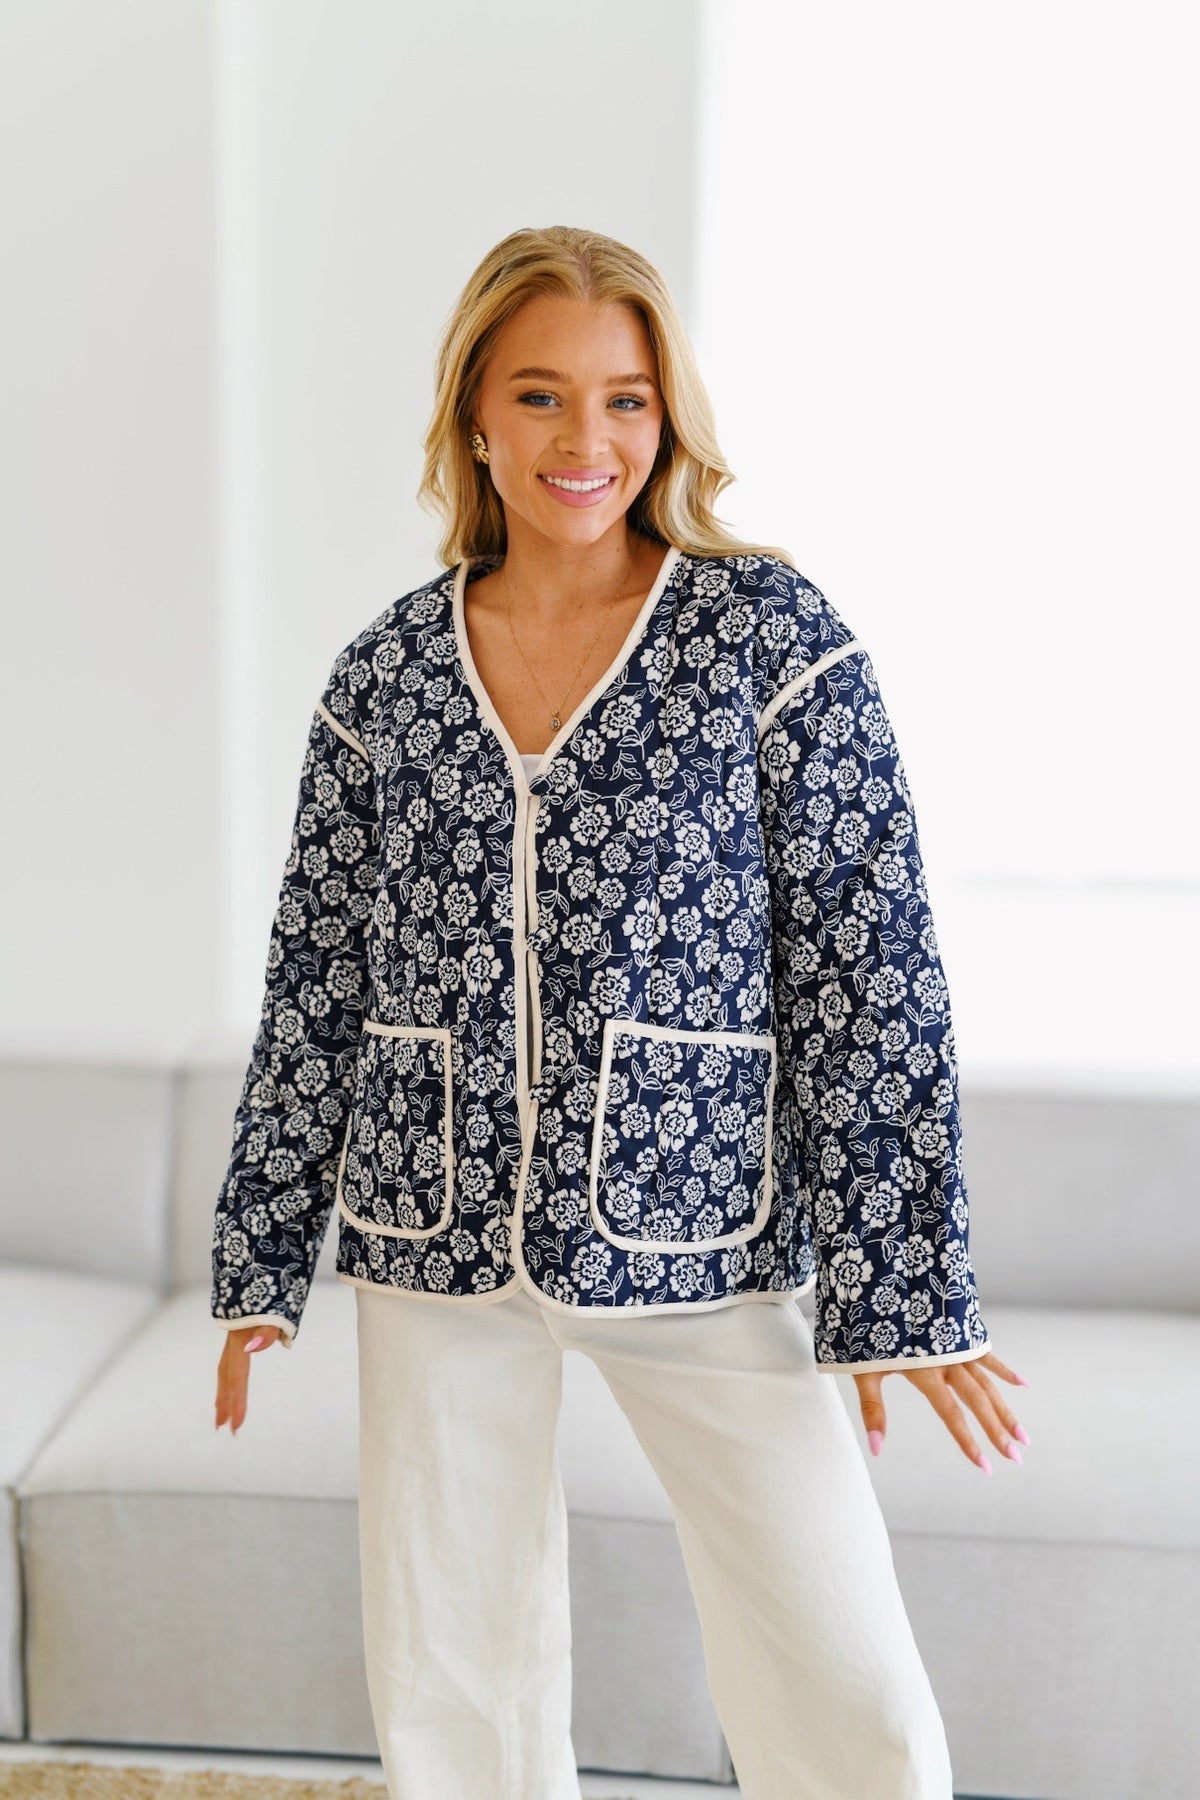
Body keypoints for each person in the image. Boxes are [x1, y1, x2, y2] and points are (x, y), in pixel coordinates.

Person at [211, 224, 1031, 1799]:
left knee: (843, 1686)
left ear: (670, 420)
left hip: (697, 1218)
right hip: (434, 1224)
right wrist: (262, 1257)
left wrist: (899, 1289)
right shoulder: (385, 676)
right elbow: (315, 974)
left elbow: (870, 970)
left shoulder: (772, 643)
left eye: (626, 400)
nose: (583, 439)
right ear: (474, 414)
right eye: (539, 395)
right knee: (456, 1686)